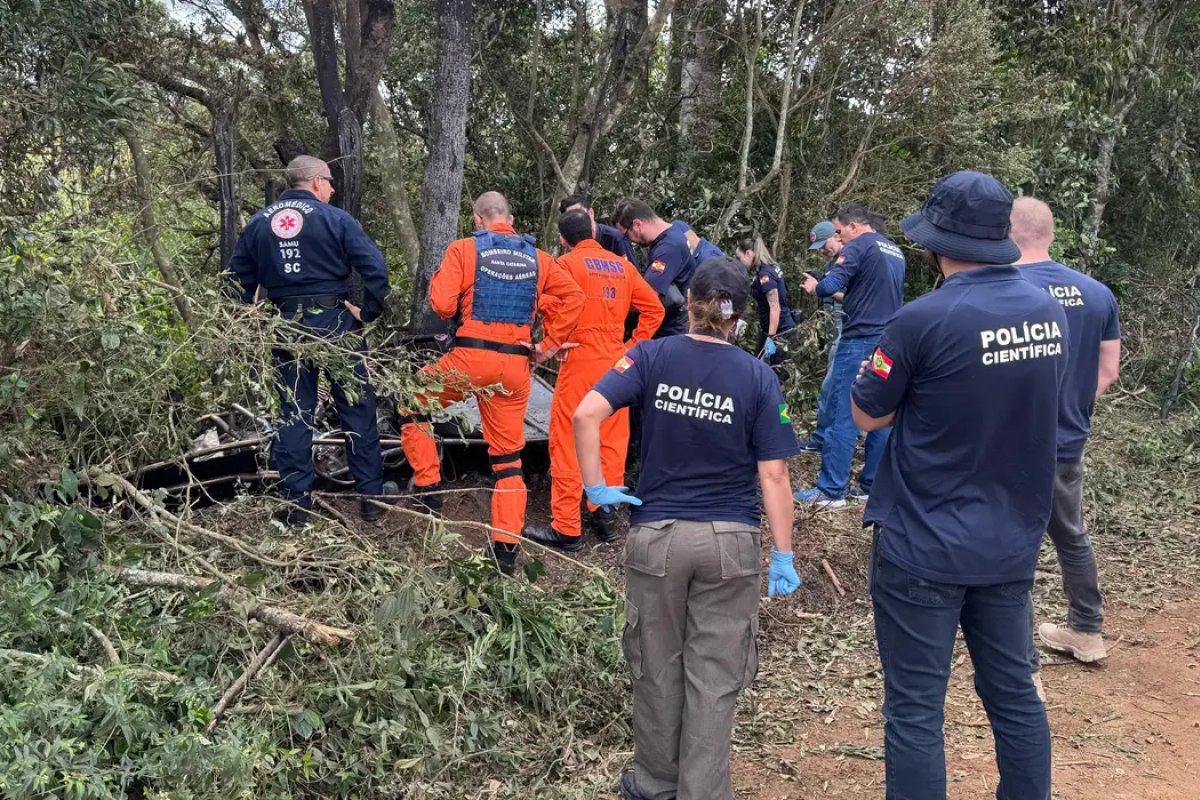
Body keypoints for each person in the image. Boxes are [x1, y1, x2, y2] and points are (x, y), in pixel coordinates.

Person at [852, 171, 1067, 800]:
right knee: (1013, 695)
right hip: (1011, 542)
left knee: (916, 707)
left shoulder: (921, 320)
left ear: (937, 241)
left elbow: (868, 413)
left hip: (924, 543)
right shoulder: (1045, 309)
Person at [573, 256, 802, 800]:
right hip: (731, 543)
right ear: (739, 318)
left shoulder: (650, 355)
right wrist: (783, 554)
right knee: (715, 676)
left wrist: (596, 487)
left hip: (658, 537)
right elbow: (773, 474)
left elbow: (585, 414)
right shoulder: (757, 376)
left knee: (656, 666)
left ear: (690, 306)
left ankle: (653, 785)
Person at [397, 192, 585, 575]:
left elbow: (443, 306)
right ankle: (505, 553)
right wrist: (546, 347)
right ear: (510, 218)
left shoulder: (464, 249)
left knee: (411, 400)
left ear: (478, 219)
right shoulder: (540, 258)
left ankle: (430, 490)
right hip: (516, 367)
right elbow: (574, 297)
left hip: (469, 360)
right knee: (507, 461)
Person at [226, 155, 390, 527]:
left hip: (286, 326)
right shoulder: (336, 220)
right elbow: (375, 269)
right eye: (330, 183)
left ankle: (297, 506)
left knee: (293, 414)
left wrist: (243, 320)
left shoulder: (258, 223)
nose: (332, 190)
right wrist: (368, 312)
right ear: (317, 182)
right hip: (335, 325)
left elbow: (234, 280)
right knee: (357, 410)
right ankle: (371, 501)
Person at [1012, 197, 1121, 672]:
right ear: (1051, 234)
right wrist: (1072, 404)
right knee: (1070, 536)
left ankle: (1013, 649)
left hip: (1008, 440)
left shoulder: (1006, 289)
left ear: (1007, 233)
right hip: (1067, 439)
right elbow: (1110, 370)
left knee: (1012, 537)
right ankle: (1088, 630)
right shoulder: (1098, 293)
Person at [523, 210, 664, 551]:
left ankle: (567, 528)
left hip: (580, 362)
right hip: (616, 366)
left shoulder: (565, 266)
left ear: (562, 240)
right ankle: (605, 515)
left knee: (568, 440)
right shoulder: (623, 266)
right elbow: (654, 310)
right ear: (595, 232)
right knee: (611, 442)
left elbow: (545, 304)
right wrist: (630, 349)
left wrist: (553, 342)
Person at [796, 204, 905, 507]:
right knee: (880, 414)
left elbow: (830, 285)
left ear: (855, 226)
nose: (840, 238)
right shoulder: (894, 250)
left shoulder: (859, 246)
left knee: (843, 411)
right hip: (888, 342)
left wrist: (817, 285)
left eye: (841, 231)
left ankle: (831, 489)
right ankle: (870, 484)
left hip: (858, 339)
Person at [613, 199, 695, 337]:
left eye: (627, 235)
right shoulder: (672, 232)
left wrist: (609, 305)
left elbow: (646, 296)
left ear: (637, 224)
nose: (630, 241)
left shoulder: (668, 248)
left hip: (669, 330)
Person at [798, 220, 845, 451]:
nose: (823, 251)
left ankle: (823, 439)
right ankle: (828, 435)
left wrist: (821, 286)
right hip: (832, 330)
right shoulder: (832, 263)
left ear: (837, 236)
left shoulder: (850, 262)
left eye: (824, 246)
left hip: (846, 330)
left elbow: (852, 298)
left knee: (831, 386)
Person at [735, 236, 796, 365]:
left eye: (739, 258)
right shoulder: (771, 267)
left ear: (748, 254)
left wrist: (771, 337)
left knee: (772, 369)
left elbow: (775, 307)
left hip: (779, 331)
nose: (739, 262)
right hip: (774, 329)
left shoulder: (765, 275)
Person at [560, 195, 639, 266]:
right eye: (571, 217)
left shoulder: (615, 238)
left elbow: (632, 271)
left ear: (591, 212)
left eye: (579, 214)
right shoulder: (570, 240)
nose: (577, 220)